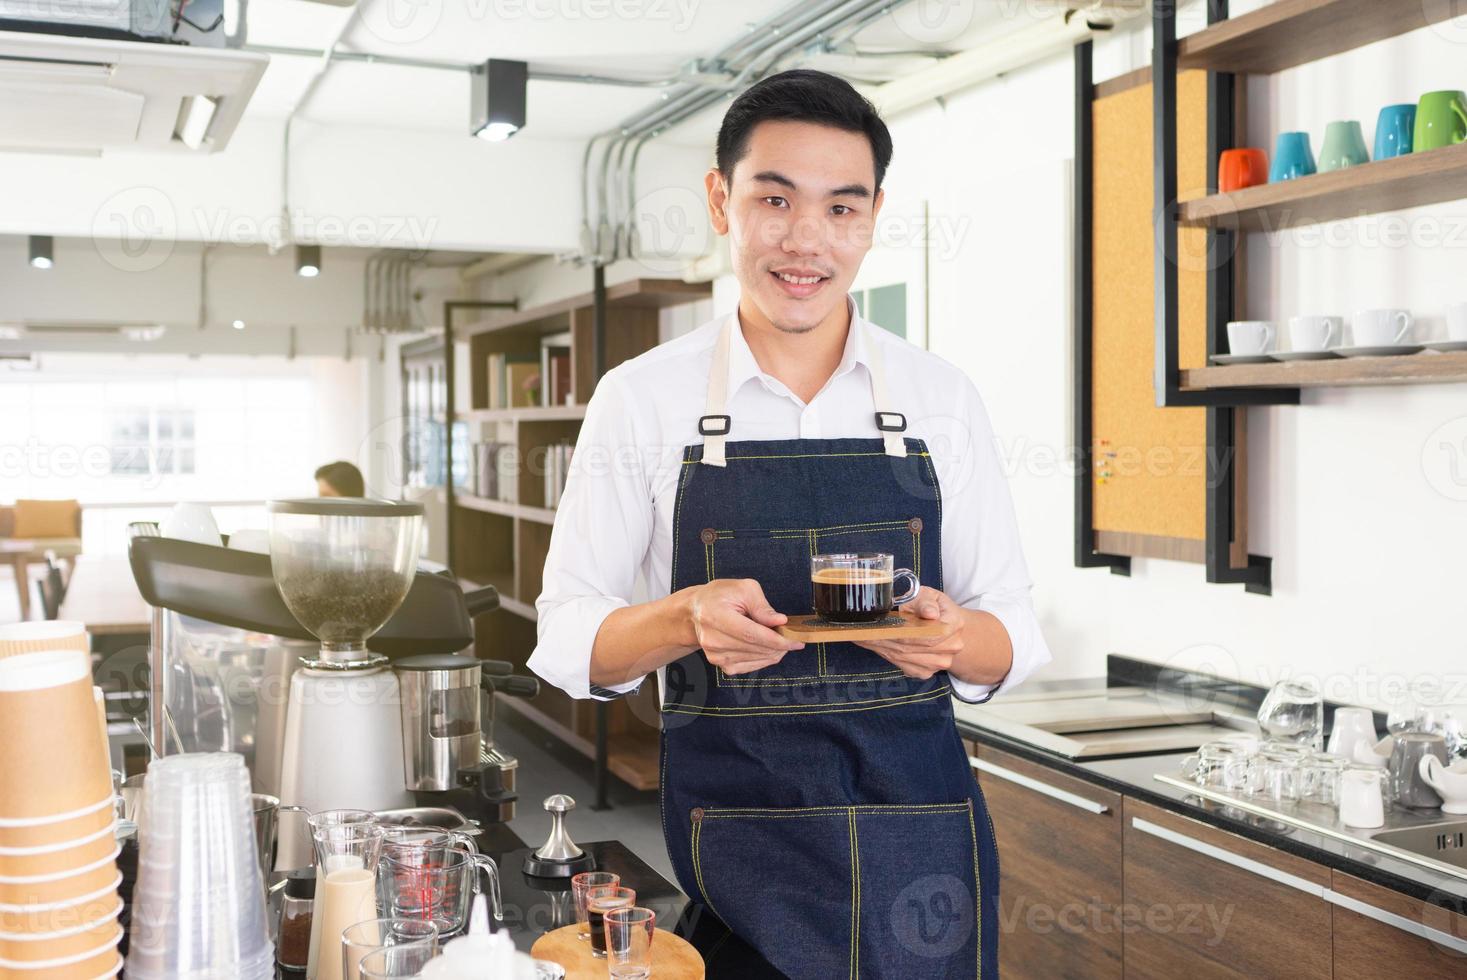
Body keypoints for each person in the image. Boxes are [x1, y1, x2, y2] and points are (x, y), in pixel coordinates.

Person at [529, 69, 1051, 978]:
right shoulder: (644, 398)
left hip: (922, 844)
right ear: (720, 201)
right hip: (740, 843)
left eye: (840, 209)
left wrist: (957, 638)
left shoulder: (939, 397)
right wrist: (684, 618)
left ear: (873, 216)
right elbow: (571, 639)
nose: (806, 239)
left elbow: (1009, 633)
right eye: (775, 198)